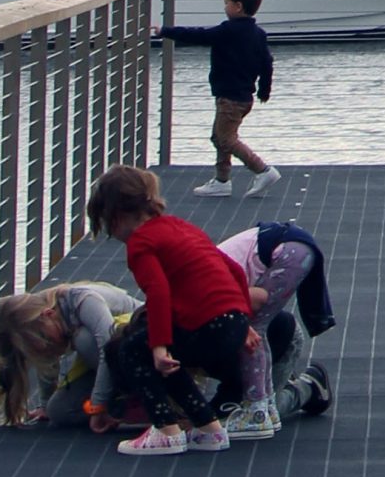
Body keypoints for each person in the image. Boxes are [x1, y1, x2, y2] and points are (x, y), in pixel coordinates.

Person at [86, 166, 257, 457]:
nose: (114, 237)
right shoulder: (181, 226)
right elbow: (234, 271)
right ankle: (208, 429)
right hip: (232, 321)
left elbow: (158, 293)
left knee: (133, 350)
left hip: (208, 327)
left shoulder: (141, 242)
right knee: (169, 357)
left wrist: (159, 346)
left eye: (108, 226)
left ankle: (166, 429)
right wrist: (244, 322)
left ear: (117, 216)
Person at [156, 0, 279, 198]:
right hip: (243, 96)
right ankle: (222, 181)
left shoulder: (228, 30)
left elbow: (199, 35)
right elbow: (267, 63)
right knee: (219, 136)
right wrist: (264, 89)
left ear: (238, 6)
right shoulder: (258, 34)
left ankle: (262, 170)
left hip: (230, 97)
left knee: (225, 139)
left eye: (226, 3)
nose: (225, 7)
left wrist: (166, 31)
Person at [212, 221, 338, 438]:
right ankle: (264, 405)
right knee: (252, 328)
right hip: (287, 246)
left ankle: (258, 410)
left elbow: (257, 301)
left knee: (253, 328)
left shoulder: (202, 288)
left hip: (287, 250)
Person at [0, 280, 143, 429]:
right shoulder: (47, 318)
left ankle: (145, 401)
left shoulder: (84, 300)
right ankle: (128, 408)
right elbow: (47, 359)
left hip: (138, 350)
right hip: (110, 364)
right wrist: (45, 405)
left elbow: (107, 345)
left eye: (46, 339)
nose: (48, 347)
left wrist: (98, 405)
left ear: (48, 314)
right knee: (59, 411)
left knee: (84, 339)